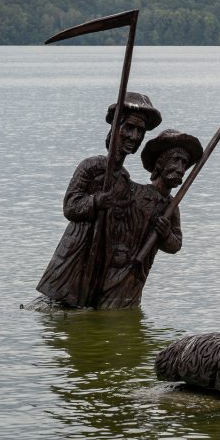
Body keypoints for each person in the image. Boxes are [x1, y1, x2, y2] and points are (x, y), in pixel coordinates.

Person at [34, 92, 162, 309]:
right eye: (129, 128)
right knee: (63, 305)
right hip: (78, 252)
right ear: (115, 129)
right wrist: (95, 202)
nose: (134, 136)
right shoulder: (91, 167)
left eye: (140, 131)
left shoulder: (124, 178)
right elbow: (70, 206)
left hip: (103, 256)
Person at [98, 129, 203, 309]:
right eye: (175, 161)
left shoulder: (172, 207)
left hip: (138, 278)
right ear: (160, 164)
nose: (180, 169)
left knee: (126, 315)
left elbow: (176, 245)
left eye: (184, 164)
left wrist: (166, 233)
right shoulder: (135, 193)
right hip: (114, 271)